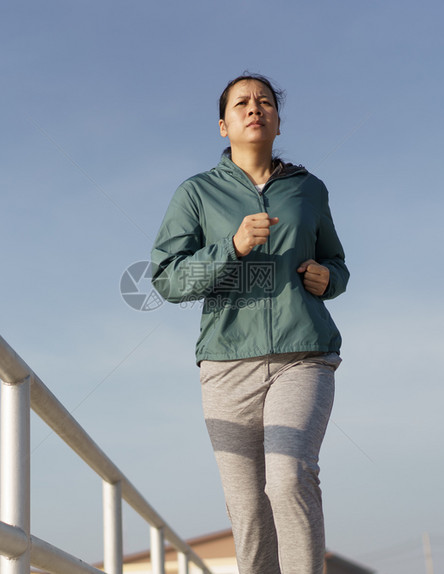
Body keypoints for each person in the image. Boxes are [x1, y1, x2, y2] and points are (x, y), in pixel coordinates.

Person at [150, 73, 349, 574]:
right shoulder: (196, 194)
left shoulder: (309, 190)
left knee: (288, 477)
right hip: (225, 364)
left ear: (278, 122)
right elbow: (168, 279)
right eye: (242, 103)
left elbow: (336, 262)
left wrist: (330, 278)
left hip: (302, 355)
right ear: (223, 125)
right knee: (248, 509)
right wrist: (232, 247)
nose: (254, 108)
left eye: (264, 102)